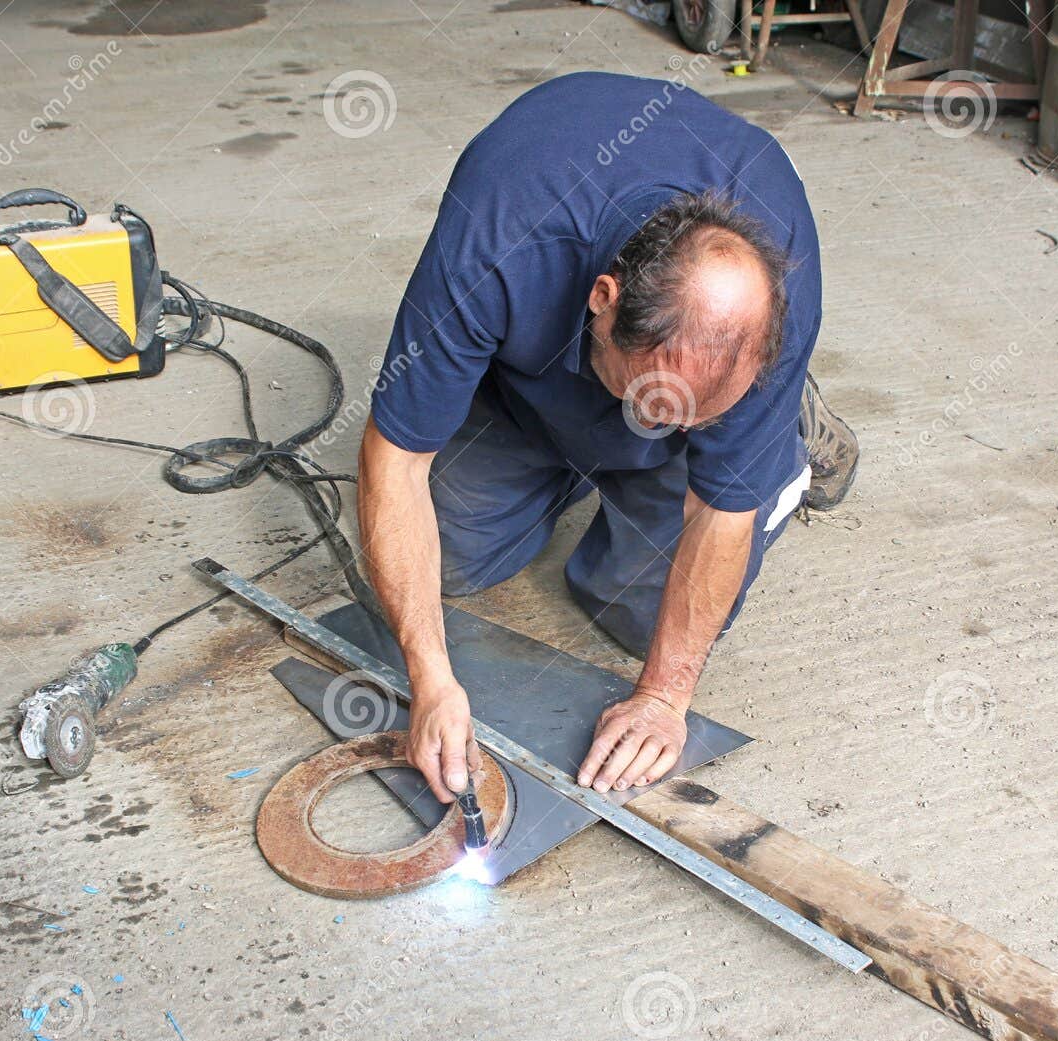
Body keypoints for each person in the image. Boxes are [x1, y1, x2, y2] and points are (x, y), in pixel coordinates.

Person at [357, 72, 856, 806]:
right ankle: (578, 445)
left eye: (696, 412)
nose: (669, 422)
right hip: (529, 384)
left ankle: (776, 429)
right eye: (661, 402)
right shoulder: (500, 233)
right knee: (444, 567)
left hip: (675, 390)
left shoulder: (781, 282)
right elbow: (395, 461)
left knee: (640, 617)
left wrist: (664, 696)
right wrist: (428, 675)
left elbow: (721, 514)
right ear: (603, 298)